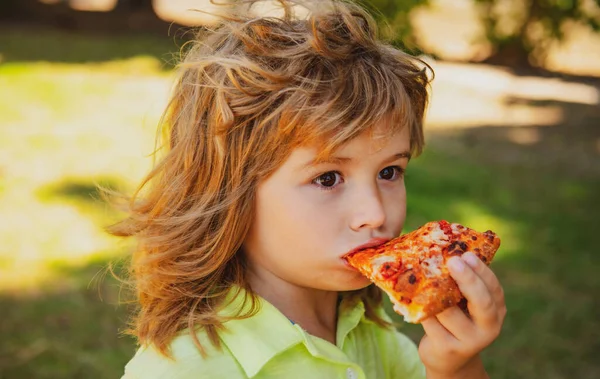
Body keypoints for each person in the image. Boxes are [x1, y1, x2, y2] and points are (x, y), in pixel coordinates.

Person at [112, 1, 506, 378]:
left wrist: (456, 368)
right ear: (230, 193)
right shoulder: (186, 369)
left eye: (389, 171)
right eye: (328, 178)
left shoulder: (372, 334)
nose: (375, 214)